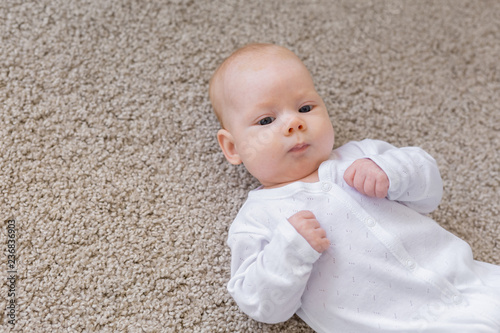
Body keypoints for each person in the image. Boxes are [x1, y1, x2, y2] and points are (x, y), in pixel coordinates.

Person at [208, 43, 500, 332]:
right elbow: (261, 306)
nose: (294, 123)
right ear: (233, 147)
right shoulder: (258, 218)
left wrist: (392, 172)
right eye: (267, 120)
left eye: (305, 107)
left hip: (474, 281)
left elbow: (429, 191)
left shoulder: (362, 155)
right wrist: (289, 250)